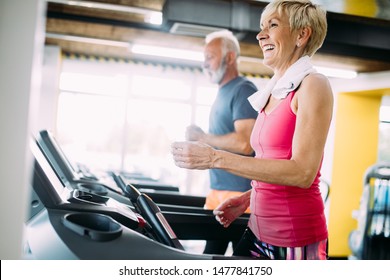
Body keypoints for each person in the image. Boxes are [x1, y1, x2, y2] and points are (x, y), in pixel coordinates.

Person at [172, 0, 333, 260]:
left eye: (273, 25)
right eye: (262, 27)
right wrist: (249, 197)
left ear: (302, 34)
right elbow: (273, 162)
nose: (260, 35)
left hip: (294, 238)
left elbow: (303, 172)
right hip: (257, 229)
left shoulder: (313, 85)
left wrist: (214, 157)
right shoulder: (271, 93)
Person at [186, 29, 258, 255]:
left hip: (238, 197)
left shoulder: (243, 89)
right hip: (218, 191)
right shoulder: (222, 92)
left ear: (229, 57)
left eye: (210, 57)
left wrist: (203, 138)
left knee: (236, 262)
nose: (205, 64)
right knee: (211, 255)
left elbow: (246, 143)